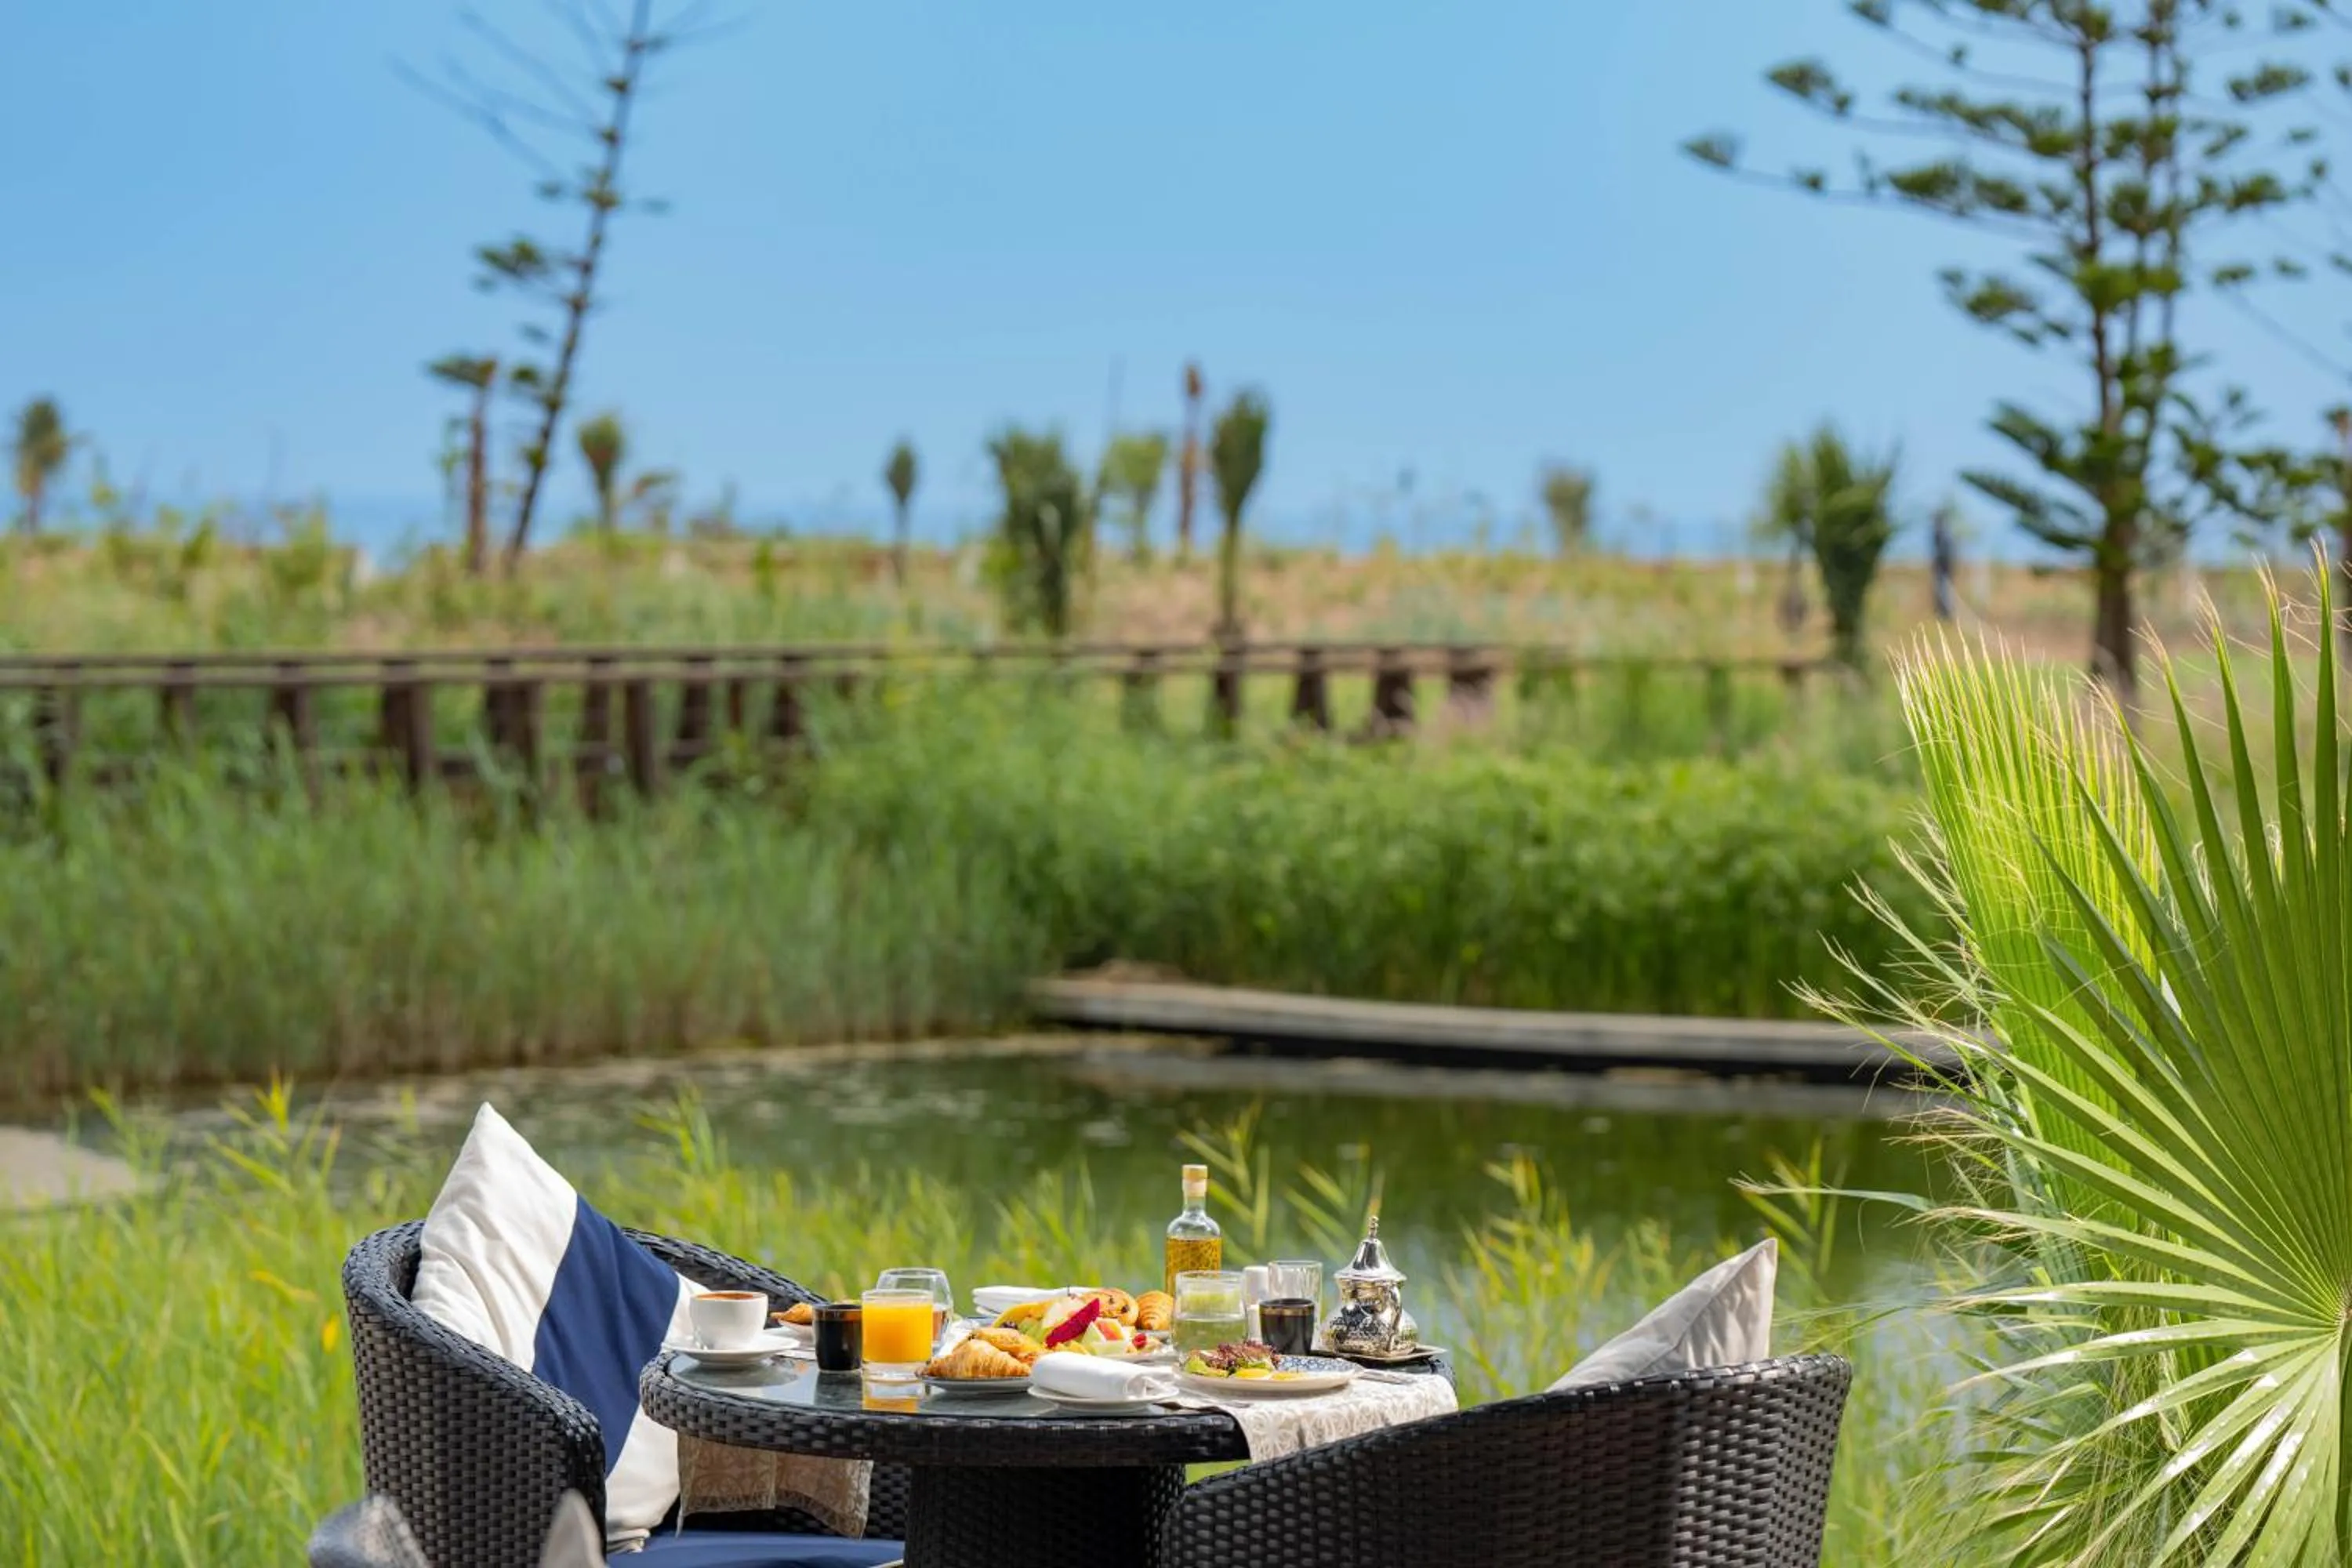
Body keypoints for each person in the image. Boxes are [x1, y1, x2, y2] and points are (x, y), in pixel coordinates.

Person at [1931, 503, 1959, 622]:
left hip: (1944, 570)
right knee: (1942, 591)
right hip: (1942, 570)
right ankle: (1942, 613)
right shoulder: (1942, 533)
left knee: (1945, 592)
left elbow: (1945, 554)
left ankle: (1946, 614)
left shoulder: (1944, 535)